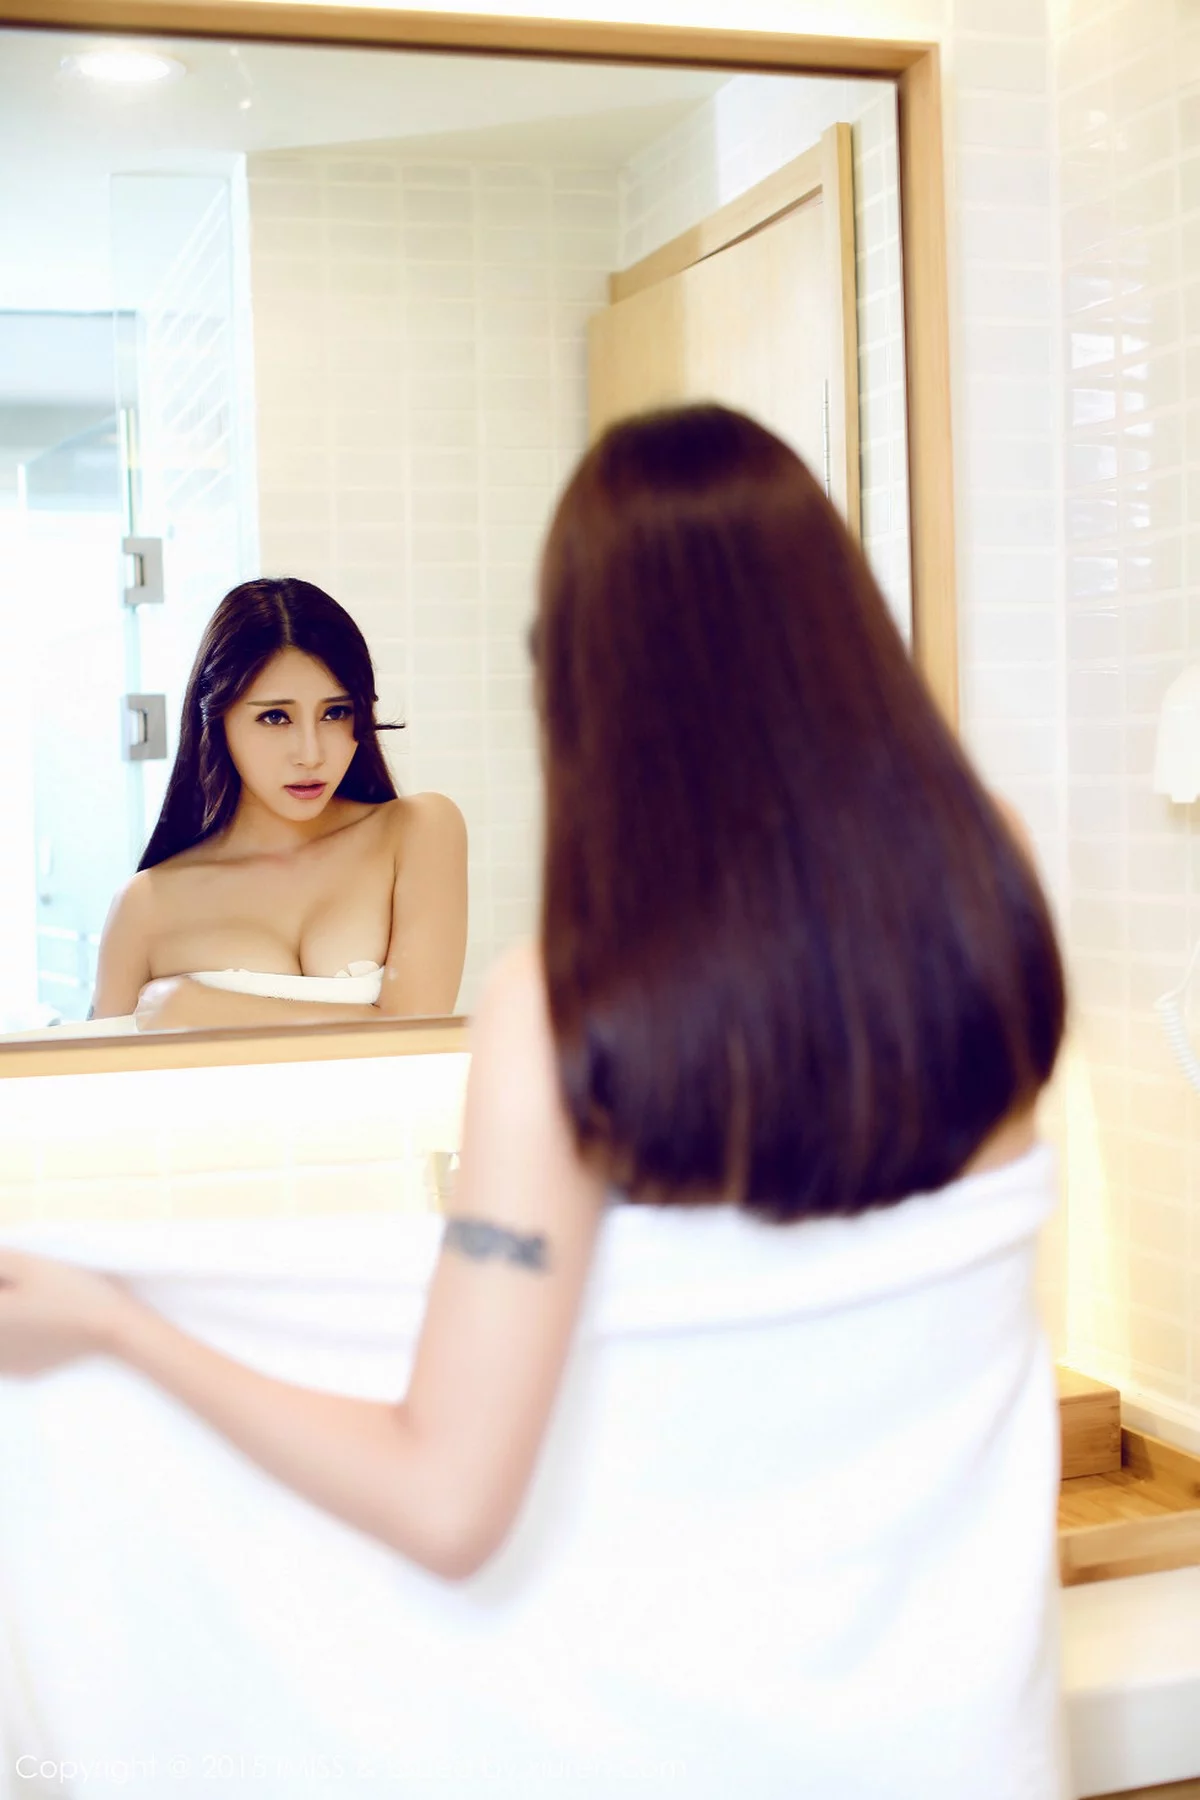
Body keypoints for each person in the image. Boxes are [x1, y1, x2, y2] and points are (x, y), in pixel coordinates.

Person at [0, 407, 1066, 1794]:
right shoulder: (991, 894)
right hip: (968, 1740)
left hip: (714, 1741)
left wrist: (121, 1327)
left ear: (578, 678)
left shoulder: (560, 1009)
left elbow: (446, 1503)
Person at [90, 577, 467, 1028]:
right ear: (217, 719)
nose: (310, 753)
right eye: (275, 717)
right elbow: (93, 1070)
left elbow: (418, 1033)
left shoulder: (419, 830)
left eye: (335, 712)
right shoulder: (144, 905)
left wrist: (204, 1009)